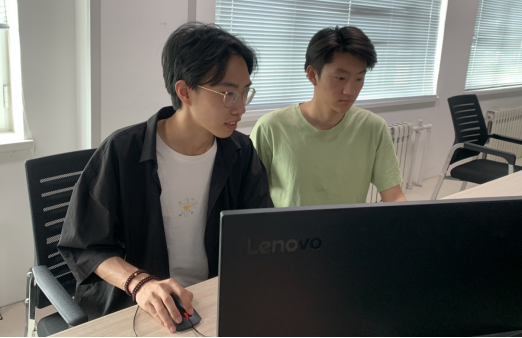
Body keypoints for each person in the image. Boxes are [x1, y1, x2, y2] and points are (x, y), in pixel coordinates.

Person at [58, 23, 273, 333]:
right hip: (138, 305)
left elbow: (260, 232)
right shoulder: (122, 151)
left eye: (244, 92)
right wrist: (139, 283)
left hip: (212, 297)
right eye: (228, 93)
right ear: (185, 91)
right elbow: (85, 246)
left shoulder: (240, 152)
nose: (240, 108)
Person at [251, 26, 407, 208]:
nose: (350, 91)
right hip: (290, 227)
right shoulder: (271, 127)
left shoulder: (373, 127)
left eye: (359, 79)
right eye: (340, 78)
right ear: (312, 75)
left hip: (348, 226)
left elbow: (394, 196)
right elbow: (250, 198)